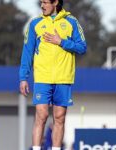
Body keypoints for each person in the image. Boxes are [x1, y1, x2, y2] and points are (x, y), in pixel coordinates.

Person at [19, 0, 87, 150]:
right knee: (41, 116)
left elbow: (82, 47)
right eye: (41, 2)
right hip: (43, 77)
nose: (42, 6)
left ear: (55, 2)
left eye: (45, 2)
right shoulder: (35, 23)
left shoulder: (71, 22)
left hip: (63, 78)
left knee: (59, 117)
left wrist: (61, 42)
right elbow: (27, 52)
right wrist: (23, 77)